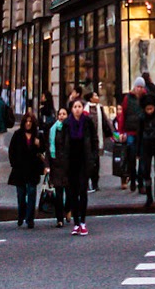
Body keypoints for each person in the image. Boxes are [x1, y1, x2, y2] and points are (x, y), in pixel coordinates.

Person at [64, 94, 98, 235]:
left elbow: (94, 140)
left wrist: (94, 157)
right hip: (71, 162)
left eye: (79, 107)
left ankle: (83, 222)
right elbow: (62, 144)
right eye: (75, 107)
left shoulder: (87, 122)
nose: (77, 109)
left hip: (84, 161)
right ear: (71, 109)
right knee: (72, 193)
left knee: (83, 192)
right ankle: (76, 222)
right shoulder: (66, 124)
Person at [8, 109, 45, 229]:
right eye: (26, 121)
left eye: (30, 121)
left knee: (32, 193)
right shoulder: (18, 134)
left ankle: (30, 219)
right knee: (21, 194)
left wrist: (39, 145)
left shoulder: (37, 135)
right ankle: (21, 215)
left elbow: (43, 150)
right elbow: (12, 150)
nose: (28, 123)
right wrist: (14, 164)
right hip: (20, 169)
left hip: (32, 169)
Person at [138, 94, 155, 208]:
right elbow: (139, 133)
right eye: (147, 109)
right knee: (146, 171)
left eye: (151, 108)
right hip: (146, 145)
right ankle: (149, 197)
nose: (149, 111)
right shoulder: (141, 118)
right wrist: (138, 151)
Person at [120, 78, 148, 190]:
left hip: (142, 132)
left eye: (141, 87)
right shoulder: (127, 98)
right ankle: (132, 177)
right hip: (130, 131)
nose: (140, 89)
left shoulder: (146, 98)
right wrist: (121, 132)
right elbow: (123, 115)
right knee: (131, 157)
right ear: (135, 87)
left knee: (142, 157)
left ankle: (140, 182)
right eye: (138, 87)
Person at [47, 106, 69, 226]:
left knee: (70, 193)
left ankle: (68, 209)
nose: (61, 116)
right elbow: (49, 147)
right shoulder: (53, 130)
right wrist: (47, 165)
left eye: (64, 114)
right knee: (58, 194)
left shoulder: (70, 129)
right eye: (60, 114)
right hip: (56, 165)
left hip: (68, 165)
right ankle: (60, 219)